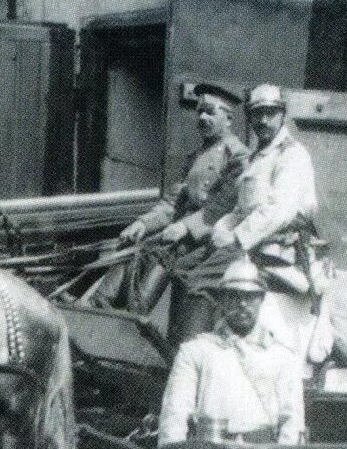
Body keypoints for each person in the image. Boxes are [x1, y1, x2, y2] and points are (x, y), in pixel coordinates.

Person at [193, 83, 322, 356]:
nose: (263, 120)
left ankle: (197, 355)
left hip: (277, 250)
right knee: (184, 265)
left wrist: (236, 237)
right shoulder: (259, 156)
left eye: (270, 113)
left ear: (282, 115)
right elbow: (243, 208)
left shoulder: (292, 154)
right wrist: (222, 226)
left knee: (199, 280)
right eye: (257, 114)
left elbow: (277, 211)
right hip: (253, 245)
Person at [100, 84, 248, 315]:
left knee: (161, 257)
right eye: (199, 111)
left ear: (228, 118)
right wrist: (143, 223)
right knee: (132, 243)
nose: (202, 117)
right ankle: (101, 303)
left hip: (209, 237)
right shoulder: (195, 156)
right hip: (182, 234)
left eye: (210, 111)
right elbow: (172, 203)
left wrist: (186, 227)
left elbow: (223, 206)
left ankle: (134, 314)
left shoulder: (238, 155)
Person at [157, 257, 305, 445]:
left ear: (262, 299)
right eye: (234, 296)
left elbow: (292, 423)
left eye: (250, 296)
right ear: (222, 299)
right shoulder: (195, 352)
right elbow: (174, 416)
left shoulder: (283, 357)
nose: (242, 303)